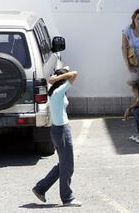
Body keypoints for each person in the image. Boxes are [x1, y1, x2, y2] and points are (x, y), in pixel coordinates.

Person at [32, 67, 82, 207]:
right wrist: (58, 77)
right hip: (61, 131)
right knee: (68, 166)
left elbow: (68, 71)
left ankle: (40, 188)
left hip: (58, 129)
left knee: (63, 164)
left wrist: (57, 76)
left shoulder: (54, 89)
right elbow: (74, 73)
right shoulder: (59, 91)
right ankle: (67, 198)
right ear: (62, 80)